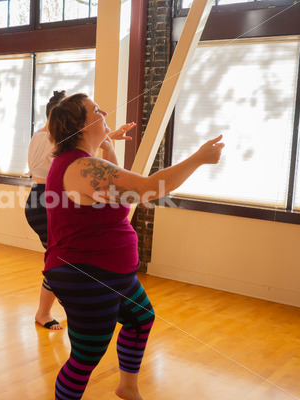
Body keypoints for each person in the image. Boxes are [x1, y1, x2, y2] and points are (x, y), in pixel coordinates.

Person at [43, 93, 224, 400]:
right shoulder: (80, 168)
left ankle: (127, 387)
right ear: (81, 126)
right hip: (85, 274)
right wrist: (197, 158)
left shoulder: (86, 163)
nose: (104, 113)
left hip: (112, 272)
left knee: (141, 320)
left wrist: (107, 144)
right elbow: (147, 189)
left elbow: (121, 195)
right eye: (96, 111)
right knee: (86, 356)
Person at [26, 90, 135, 331]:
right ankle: (45, 312)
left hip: (40, 198)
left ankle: (49, 310)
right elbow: (83, 157)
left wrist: (108, 137)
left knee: (62, 260)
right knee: (64, 261)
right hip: (47, 199)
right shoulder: (52, 142)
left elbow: (84, 149)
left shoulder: (39, 136)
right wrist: (106, 140)